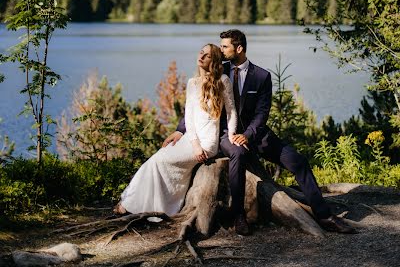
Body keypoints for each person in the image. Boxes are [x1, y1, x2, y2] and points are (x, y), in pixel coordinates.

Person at [165, 29, 357, 235]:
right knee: (237, 153)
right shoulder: (219, 71)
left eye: (225, 47)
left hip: (256, 135)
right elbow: (198, 102)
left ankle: (324, 216)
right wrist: (180, 129)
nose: (220, 50)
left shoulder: (262, 76)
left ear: (239, 48)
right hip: (223, 134)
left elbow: (262, 112)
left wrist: (247, 134)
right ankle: (238, 215)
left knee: (298, 161)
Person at [114, 43, 237, 217]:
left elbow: (231, 111)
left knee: (158, 162)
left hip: (208, 143)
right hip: (192, 139)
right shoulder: (193, 83)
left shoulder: (223, 81)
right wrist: (194, 144)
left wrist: (231, 134)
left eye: (207, 55)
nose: (201, 56)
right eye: (201, 52)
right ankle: (143, 205)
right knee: (157, 159)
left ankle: (134, 206)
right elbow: (189, 117)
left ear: (214, 60)